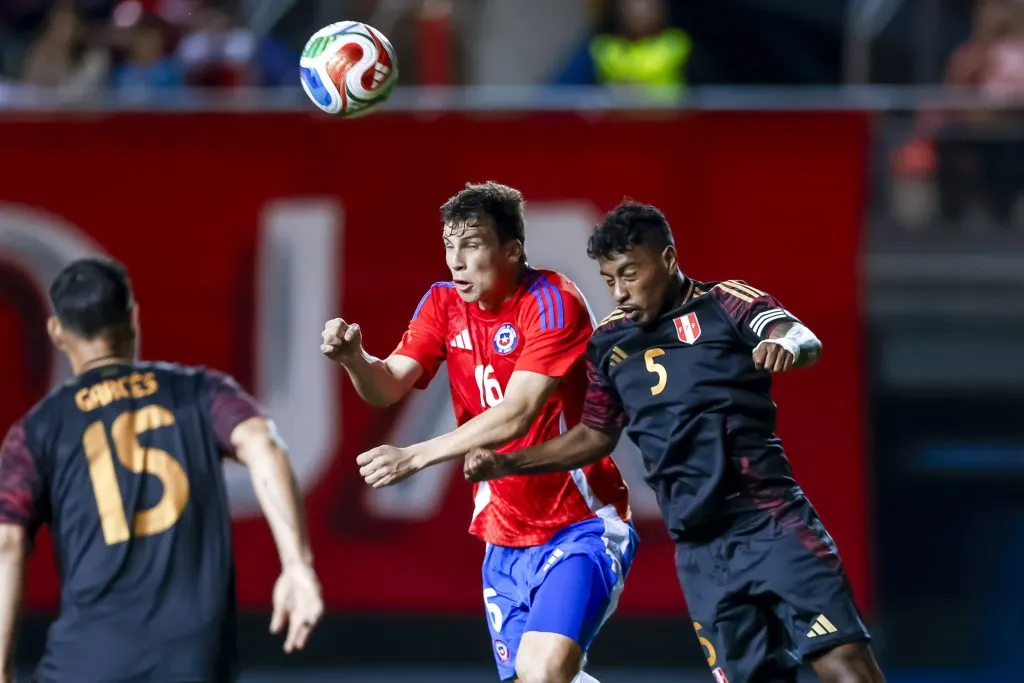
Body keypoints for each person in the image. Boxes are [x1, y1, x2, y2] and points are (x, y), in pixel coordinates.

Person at [465, 201, 886, 683]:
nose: (620, 292)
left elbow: (797, 334)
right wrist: (509, 463)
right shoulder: (609, 346)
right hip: (698, 550)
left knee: (845, 667)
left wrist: (786, 345)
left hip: (767, 519)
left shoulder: (725, 303)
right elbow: (594, 437)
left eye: (630, 273)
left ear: (668, 259)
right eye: (609, 280)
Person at [320, 182, 637, 683]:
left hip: (580, 525)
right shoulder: (442, 304)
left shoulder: (553, 302)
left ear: (512, 250)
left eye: (471, 244)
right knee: (537, 679)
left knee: (544, 669)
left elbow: (518, 413)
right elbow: (387, 386)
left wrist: (416, 456)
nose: (456, 261)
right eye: (449, 245)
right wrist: (353, 360)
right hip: (503, 539)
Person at [0, 258, 323, 683]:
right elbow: (263, 445)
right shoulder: (200, 393)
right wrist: (296, 564)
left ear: (57, 331)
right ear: (133, 317)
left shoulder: (37, 431)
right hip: (192, 663)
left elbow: (7, 541)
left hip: (87, 664)